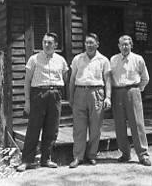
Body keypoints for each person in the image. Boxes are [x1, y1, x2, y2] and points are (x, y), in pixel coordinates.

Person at [16, 32, 69, 172]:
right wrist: (27, 101)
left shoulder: (61, 60)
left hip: (55, 94)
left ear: (56, 45)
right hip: (38, 94)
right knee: (33, 128)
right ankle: (27, 160)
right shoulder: (34, 59)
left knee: (52, 128)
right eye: (44, 42)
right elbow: (27, 81)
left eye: (50, 43)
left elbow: (65, 76)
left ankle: (46, 159)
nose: (46, 45)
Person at [68, 33, 111, 168]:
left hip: (97, 93)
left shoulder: (103, 60)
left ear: (97, 44)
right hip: (80, 92)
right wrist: (71, 96)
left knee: (95, 127)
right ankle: (78, 157)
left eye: (92, 43)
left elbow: (108, 80)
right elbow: (72, 79)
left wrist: (108, 97)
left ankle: (92, 155)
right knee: (79, 127)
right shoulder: (78, 59)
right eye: (87, 43)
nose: (89, 45)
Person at [110, 35, 152, 166]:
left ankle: (143, 155)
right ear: (118, 46)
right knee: (119, 124)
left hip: (133, 91)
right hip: (117, 92)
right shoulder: (113, 59)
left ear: (131, 45)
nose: (124, 47)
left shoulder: (138, 59)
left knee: (137, 123)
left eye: (127, 44)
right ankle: (125, 153)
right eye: (122, 44)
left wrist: (138, 90)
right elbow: (110, 78)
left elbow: (145, 78)